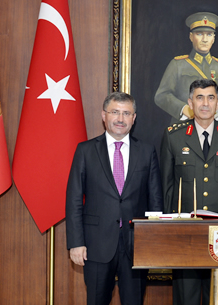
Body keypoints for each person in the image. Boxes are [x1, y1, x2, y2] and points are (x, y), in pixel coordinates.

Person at [66, 92, 163, 305]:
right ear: (104, 115)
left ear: (134, 118)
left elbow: (155, 199)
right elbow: (73, 199)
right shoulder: (85, 151)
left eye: (126, 113)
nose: (120, 119)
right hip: (96, 246)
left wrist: (154, 241)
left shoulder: (146, 152)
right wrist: (76, 243)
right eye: (115, 112)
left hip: (137, 246)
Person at [160, 79, 218, 305]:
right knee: (185, 298)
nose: (205, 103)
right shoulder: (173, 136)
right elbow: (166, 188)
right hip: (184, 233)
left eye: (210, 97)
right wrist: (167, 232)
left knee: (217, 297)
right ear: (190, 102)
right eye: (199, 97)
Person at [154, 12, 218, 124]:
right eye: (199, 34)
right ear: (191, 37)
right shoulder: (178, 64)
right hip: (184, 128)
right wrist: (183, 109)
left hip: (214, 129)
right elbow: (161, 95)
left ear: (213, 38)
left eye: (209, 34)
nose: (204, 39)